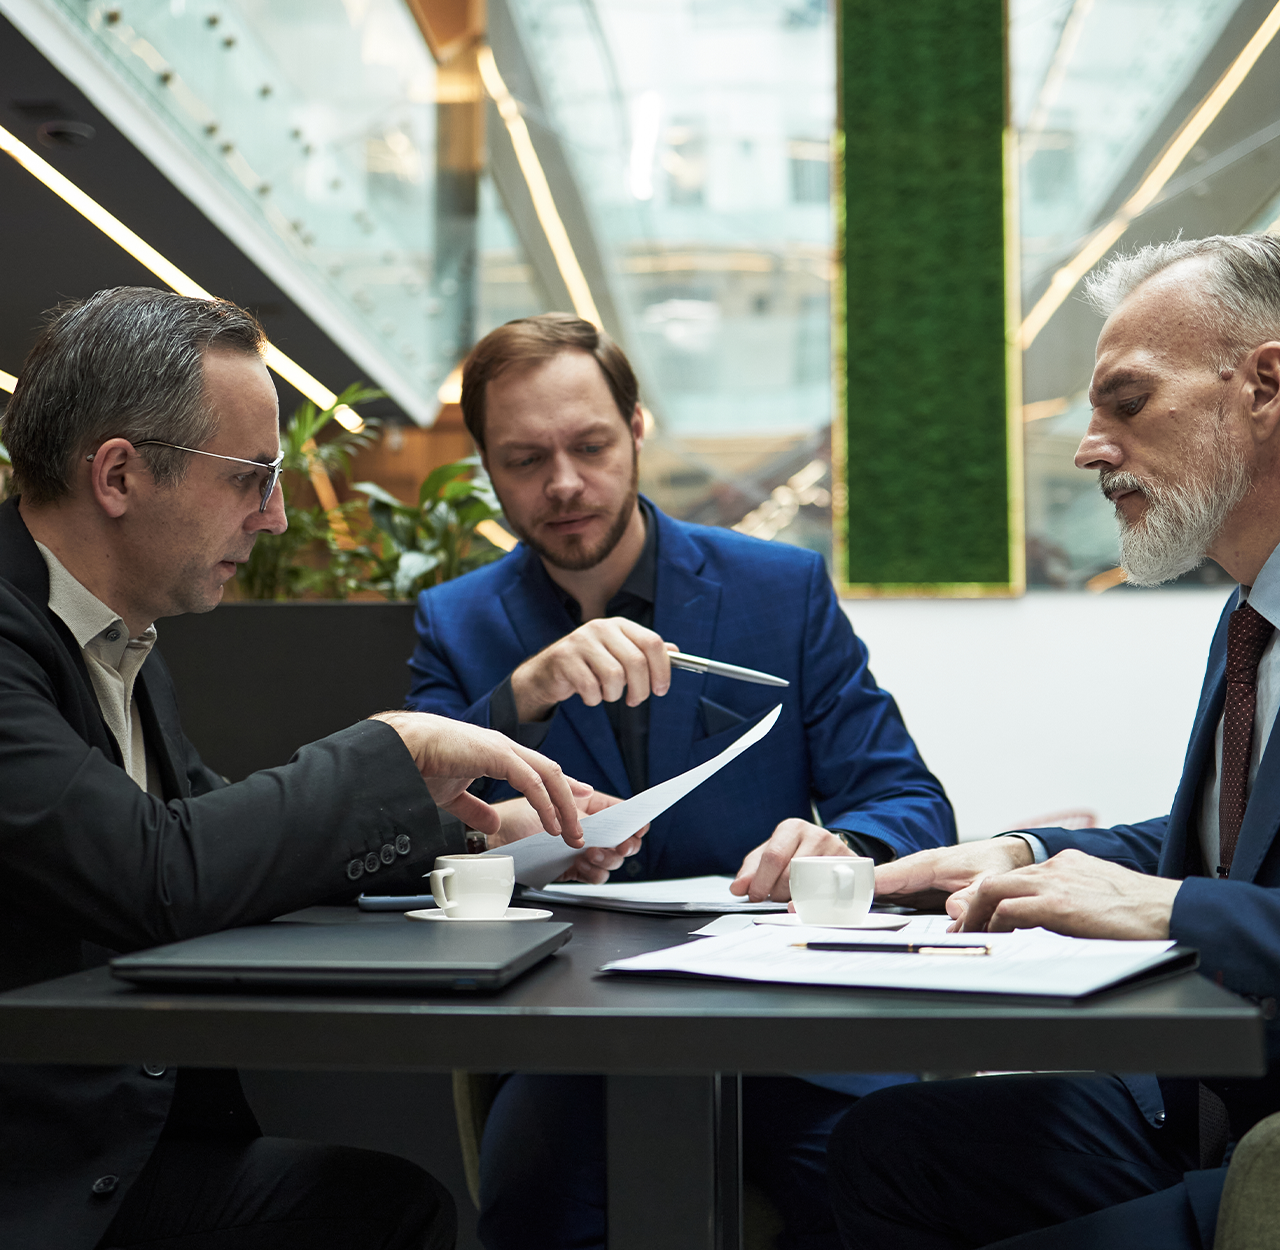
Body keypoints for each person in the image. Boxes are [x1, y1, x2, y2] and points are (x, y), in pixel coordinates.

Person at [0, 287, 608, 1250]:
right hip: (38, 1173)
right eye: (252, 476)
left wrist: (480, 837)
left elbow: (219, 839)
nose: (277, 518)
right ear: (118, 475)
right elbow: (160, 874)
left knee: (384, 1209)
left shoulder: (121, 638)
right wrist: (397, 749)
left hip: (114, 1140)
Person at [405, 313, 956, 1250]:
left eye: (590, 445)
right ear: (487, 471)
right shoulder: (458, 624)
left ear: (637, 429)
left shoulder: (779, 590)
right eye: (526, 459)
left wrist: (841, 848)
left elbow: (909, 801)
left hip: (786, 1018)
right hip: (565, 1035)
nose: (566, 484)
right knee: (535, 1200)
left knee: (896, 1181)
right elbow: (410, 840)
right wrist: (519, 706)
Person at [826, 234, 1280, 1250]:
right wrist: (1026, 853)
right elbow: (1233, 844)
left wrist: (1167, 904)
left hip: (1266, 1144)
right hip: (1201, 1100)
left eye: (1124, 402)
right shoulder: (1249, 616)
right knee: (887, 1143)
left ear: (1262, 384)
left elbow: (1198, 888)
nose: (1086, 447)